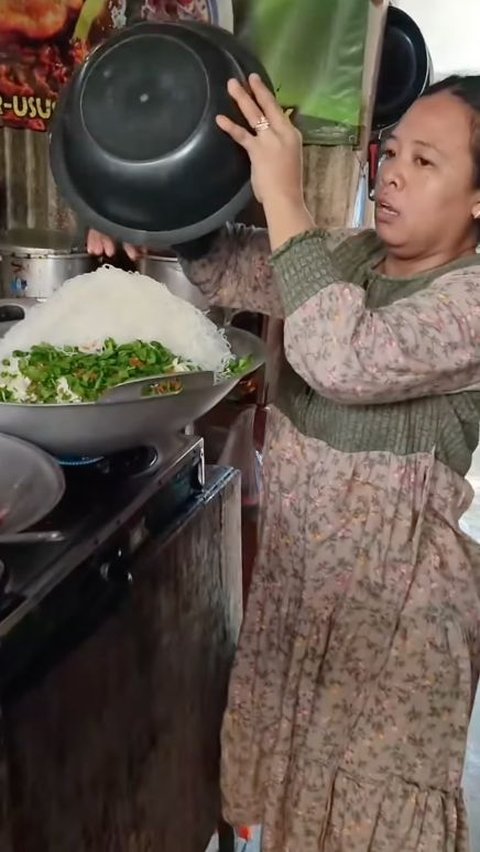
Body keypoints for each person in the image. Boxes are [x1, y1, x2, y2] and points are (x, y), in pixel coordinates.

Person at [87, 73, 480, 851]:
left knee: (362, 824)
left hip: (391, 626)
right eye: (391, 150)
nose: (392, 171)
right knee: (298, 813)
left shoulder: (470, 300)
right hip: (300, 599)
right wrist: (141, 213)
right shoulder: (350, 254)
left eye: (426, 161)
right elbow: (229, 267)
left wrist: (286, 193)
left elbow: (342, 356)